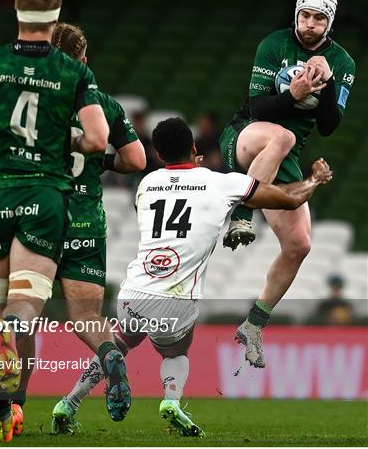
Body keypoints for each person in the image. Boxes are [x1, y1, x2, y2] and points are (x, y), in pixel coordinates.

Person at [54, 117, 332, 437]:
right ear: (195, 148)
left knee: (119, 340)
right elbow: (289, 198)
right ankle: (171, 401)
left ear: (158, 155)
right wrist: (314, 178)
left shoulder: (147, 185)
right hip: (176, 301)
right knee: (175, 352)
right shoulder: (219, 182)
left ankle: (69, 402)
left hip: (133, 294)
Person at [0, 0, 115, 443]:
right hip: (43, 200)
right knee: (24, 308)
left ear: (17, 14)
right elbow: (96, 140)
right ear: (54, 19)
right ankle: (14, 340)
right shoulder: (74, 73)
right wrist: (64, 140)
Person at [219, 0, 356, 367]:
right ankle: (242, 217)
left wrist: (327, 83)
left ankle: (254, 324)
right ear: (296, 14)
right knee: (279, 136)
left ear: (329, 23)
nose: (309, 24)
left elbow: (329, 125)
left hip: (284, 154)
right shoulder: (274, 44)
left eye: (318, 18)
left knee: (300, 245)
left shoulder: (342, 62)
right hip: (247, 135)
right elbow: (258, 109)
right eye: (305, 15)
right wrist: (292, 96)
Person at [47, 22, 145, 427]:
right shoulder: (103, 104)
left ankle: (6, 403)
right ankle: (110, 356)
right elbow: (137, 161)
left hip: (39, 213)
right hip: (86, 218)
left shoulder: (32, 100)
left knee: (18, 307)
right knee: (86, 315)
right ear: (85, 60)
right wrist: (102, 159)